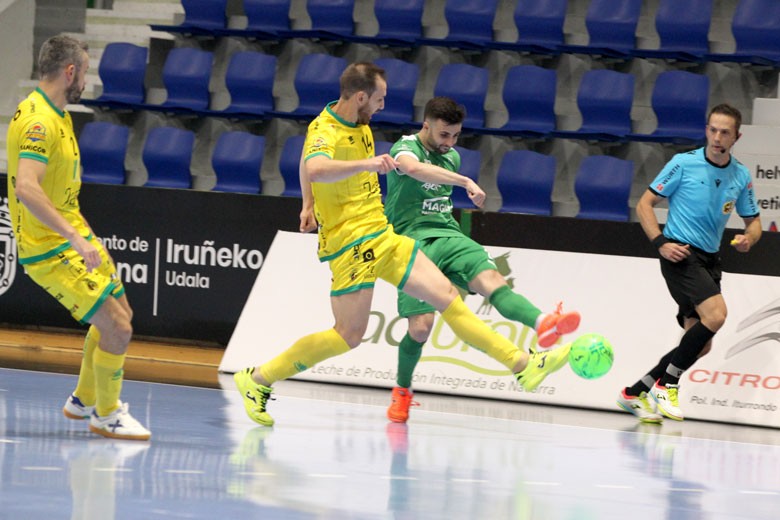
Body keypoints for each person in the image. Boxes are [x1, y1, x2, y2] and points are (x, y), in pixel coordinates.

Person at [234, 63, 572, 427]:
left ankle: (523, 366)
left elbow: (306, 161)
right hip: (351, 243)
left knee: (447, 297)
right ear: (361, 97)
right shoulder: (325, 127)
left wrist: (307, 204)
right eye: (379, 98)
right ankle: (257, 379)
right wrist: (361, 168)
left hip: (381, 232)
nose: (382, 105)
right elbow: (314, 165)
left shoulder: (358, 121)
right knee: (347, 336)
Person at [382, 96, 581, 423]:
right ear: (426, 125)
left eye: (456, 136)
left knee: (493, 282)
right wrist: (465, 182)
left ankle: (543, 322)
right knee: (420, 328)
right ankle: (402, 391)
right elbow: (412, 169)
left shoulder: (452, 157)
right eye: (444, 135)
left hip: (449, 235)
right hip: (410, 243)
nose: (451, 143)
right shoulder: (405, 147)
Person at [6, 35, 150, 440]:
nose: (85, 79)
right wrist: (74, 237)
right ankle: (106, 415)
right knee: (118, 329)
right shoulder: (39, 121)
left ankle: (83, 399)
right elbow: (27, 188)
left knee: (121, 313)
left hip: (72, 233)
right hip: (49, 247)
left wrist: (86, 234)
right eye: (85, 71)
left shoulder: (58, 112)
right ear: (70, 72)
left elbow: (58, 191)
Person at [618, 103, 761, 423]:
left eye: (725, 132)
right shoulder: (683, 163)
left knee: (701, 345)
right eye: (712, 129)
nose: (717, 137)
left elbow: (754, 221)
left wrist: (750, 238)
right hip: (680, 254)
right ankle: (667, 384)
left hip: (710, 260)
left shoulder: (740, 175)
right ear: (706, 130)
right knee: (718, 314)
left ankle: (634, 392)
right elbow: (645, 203)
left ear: (736, 137)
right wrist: (660, 243)